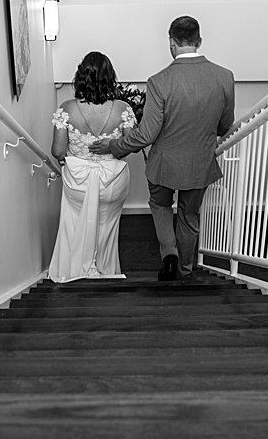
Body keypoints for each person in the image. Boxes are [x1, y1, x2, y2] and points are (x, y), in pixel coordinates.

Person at [89, 16, 235, 281]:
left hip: (164, 164)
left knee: (160, 205)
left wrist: (114, 146)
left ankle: (169, 254)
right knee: (189, 216)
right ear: (199, 41)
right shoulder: (225, 77)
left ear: (171, 42)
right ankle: (185, 270)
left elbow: (145, 135)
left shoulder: (159, 81)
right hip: (199, 164)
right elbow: (225, 126)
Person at [48, 51, 138, 283]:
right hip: (112, 181)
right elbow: (130, 146)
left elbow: (58, 152)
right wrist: (111, 146)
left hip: (78, 182)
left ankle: (74, 270)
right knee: (106, 225)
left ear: (80, 77)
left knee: (75, 221)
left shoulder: (66, 108)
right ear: (110, 78)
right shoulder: (123, 109)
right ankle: (106, 269)